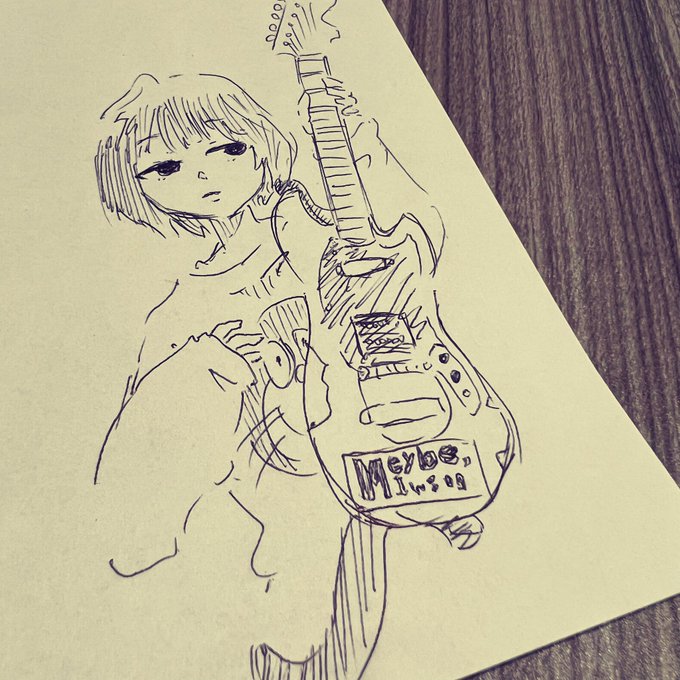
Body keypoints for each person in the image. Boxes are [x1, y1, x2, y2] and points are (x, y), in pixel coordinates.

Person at [93, 71, 449, 679]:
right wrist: (205, 367)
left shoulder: (320, 235)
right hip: (272, 507)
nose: (202, 175)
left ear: (262, 147)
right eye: (166, 167)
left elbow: (417, 245)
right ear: (135, 188)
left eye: (227, 149)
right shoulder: (176, 314)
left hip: (379, 451)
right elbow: (144, 469)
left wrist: (361, 141)